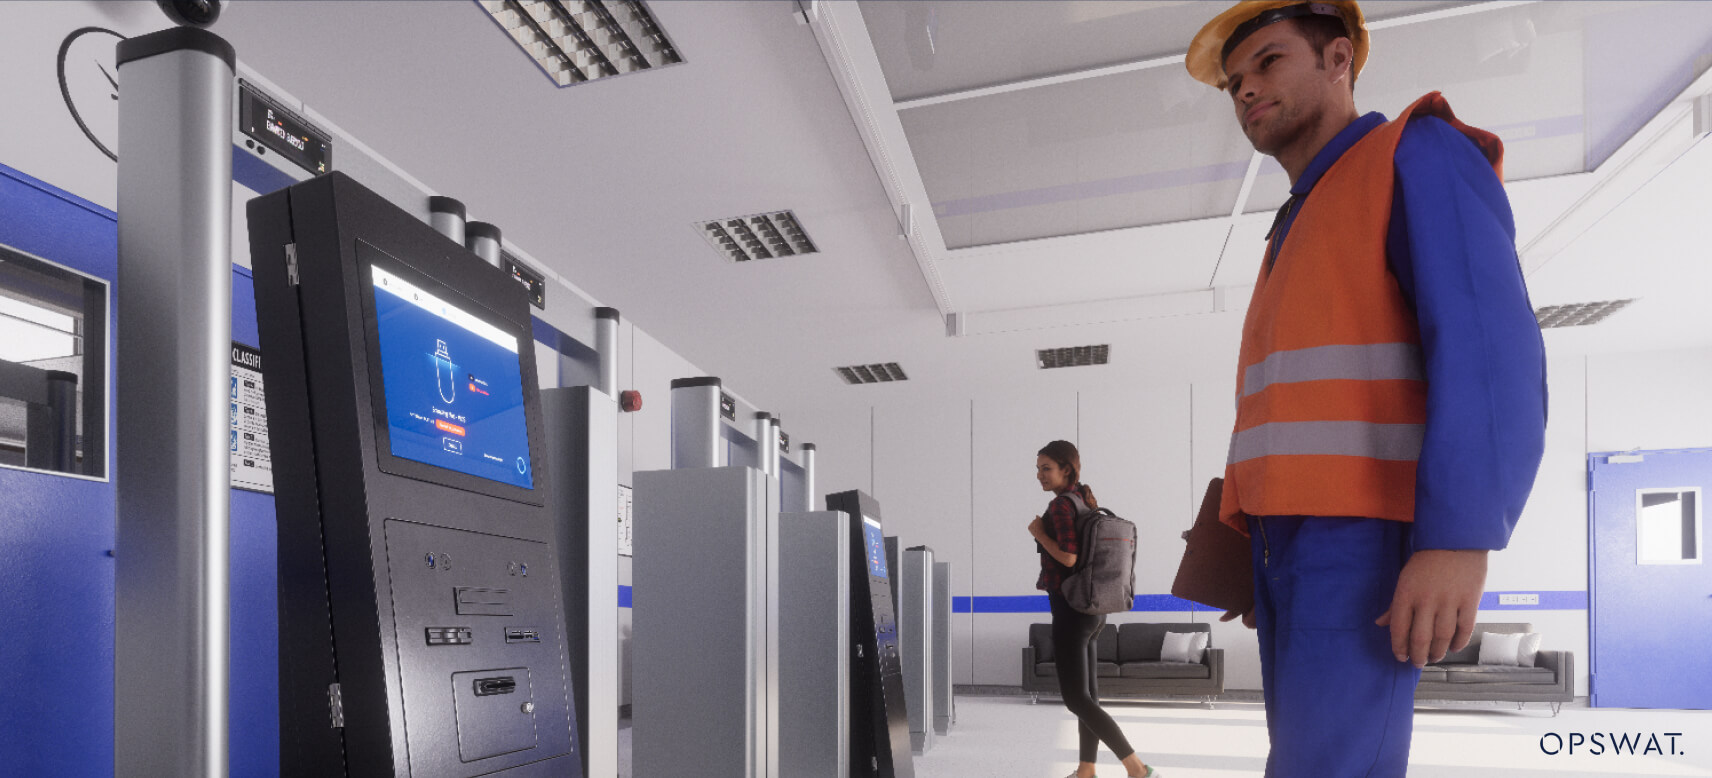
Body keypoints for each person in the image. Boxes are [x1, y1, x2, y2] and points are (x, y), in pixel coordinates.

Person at [1184, 2, 1549, 775]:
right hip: (1291, 547)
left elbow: (1490, 350)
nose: (1246, 88)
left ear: (1339, 58)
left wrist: (1459, 539)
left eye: (1269, 62)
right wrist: (1247, 539)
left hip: (1361, 542)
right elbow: (1290, 405)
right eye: (1234, 83)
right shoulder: (1298, 222)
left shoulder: (1413, 154)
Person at [1026, 440, 1160, 778]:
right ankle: (1086, 769)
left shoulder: (1060, 506)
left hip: (1071, 611)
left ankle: (1137, 769)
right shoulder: (1083, 501)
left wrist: (1039, 534)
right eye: (1038, 467)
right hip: (1093, 611)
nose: (1039, 474)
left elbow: (1069, 556)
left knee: (1076, 699)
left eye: (1046, 468)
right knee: (1089, 698)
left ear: (1066, 469)